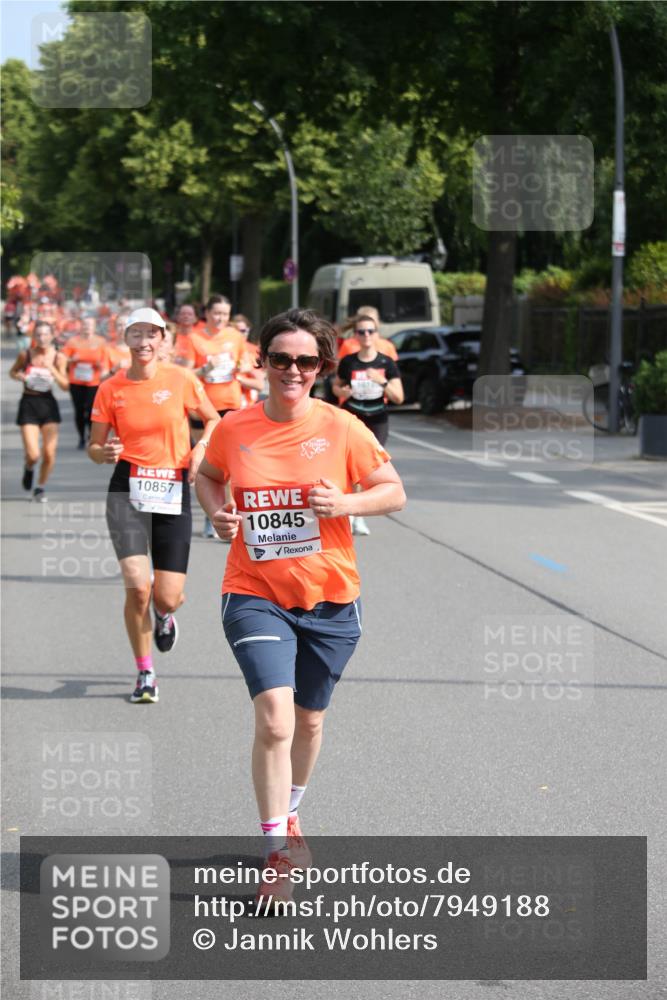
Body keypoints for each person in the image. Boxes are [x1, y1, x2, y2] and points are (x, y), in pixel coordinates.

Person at [195, 308, 406, 908]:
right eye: (281, 358)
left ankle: (291, 813)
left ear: (322, 367)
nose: (292, 369)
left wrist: (345, 502)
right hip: (254, 592)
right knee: (276, 722)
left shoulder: (342, 428)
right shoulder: (235, 427)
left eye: (306, 360)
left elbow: (394, 492)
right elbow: (207, 478)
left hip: (331, 598)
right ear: (262, 361)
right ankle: (275, 857)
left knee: (310, 722)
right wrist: (216, 513)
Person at [88, 308, 219, 704]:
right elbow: (95, 447)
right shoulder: (111, 388)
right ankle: (145, 671)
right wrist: (104, 451)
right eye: (135, 334)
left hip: (171, 490)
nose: (144, 341)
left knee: (166, 595)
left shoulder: (181, 379)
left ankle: (166, 616)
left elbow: (214, 420)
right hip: (126, 489)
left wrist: (200, 448)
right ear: (124, 339)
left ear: (163, 339)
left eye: (151, 334)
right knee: (138, 588)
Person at [192, 295, 264, 538]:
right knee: (209, 464)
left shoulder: (234, 336)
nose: (220, 318)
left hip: (231, 403)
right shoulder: (195, 337)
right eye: (216, 313)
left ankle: (230, 514)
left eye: (225, 314)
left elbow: (245, 362)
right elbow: (184, 375)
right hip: (203, 406)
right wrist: (205, 370)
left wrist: (243, 368)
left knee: (233, 462)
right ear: (207, 313)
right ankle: (209, 512)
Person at [332, 314, 404, 535]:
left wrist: (381, 381)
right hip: (353, 415)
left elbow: (399, 397)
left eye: (370, 331)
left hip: (377, 417)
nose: (366, 336)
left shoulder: (385, 363)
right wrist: (341, 392)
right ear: (356, 335)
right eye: (361, 332)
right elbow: (336, 387)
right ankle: (351, 515)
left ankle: (358, 517)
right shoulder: (349, 362)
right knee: (349, 467)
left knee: (368, 467)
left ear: (376, 334)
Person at [10, 321, 69, 501]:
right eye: (38, 335)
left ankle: (40, 487)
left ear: (52, 336)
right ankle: (29, 467)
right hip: (29, 403)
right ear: (33, 337)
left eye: (45, 334)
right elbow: (12, 372)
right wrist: (19, 376)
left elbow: (66, 385)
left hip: (48, 405)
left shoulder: (59, 357)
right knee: (33, 454)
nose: (42, 338)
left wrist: (52, 369)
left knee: (50, 453)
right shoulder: (26, 354)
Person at [61, 315, 110, 448]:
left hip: (94, 382)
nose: (87, 327)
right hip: (76, 381)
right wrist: (72, 360)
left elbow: (106, 361)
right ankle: (81, 437)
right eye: (85, 324)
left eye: (90, 325)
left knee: (90, 410)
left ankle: (90, 435)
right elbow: (62, 359)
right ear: (80, 326)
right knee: (78, 410)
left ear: (94, 327)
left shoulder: (101, 342)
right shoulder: (73, 341)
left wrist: (101, 366)